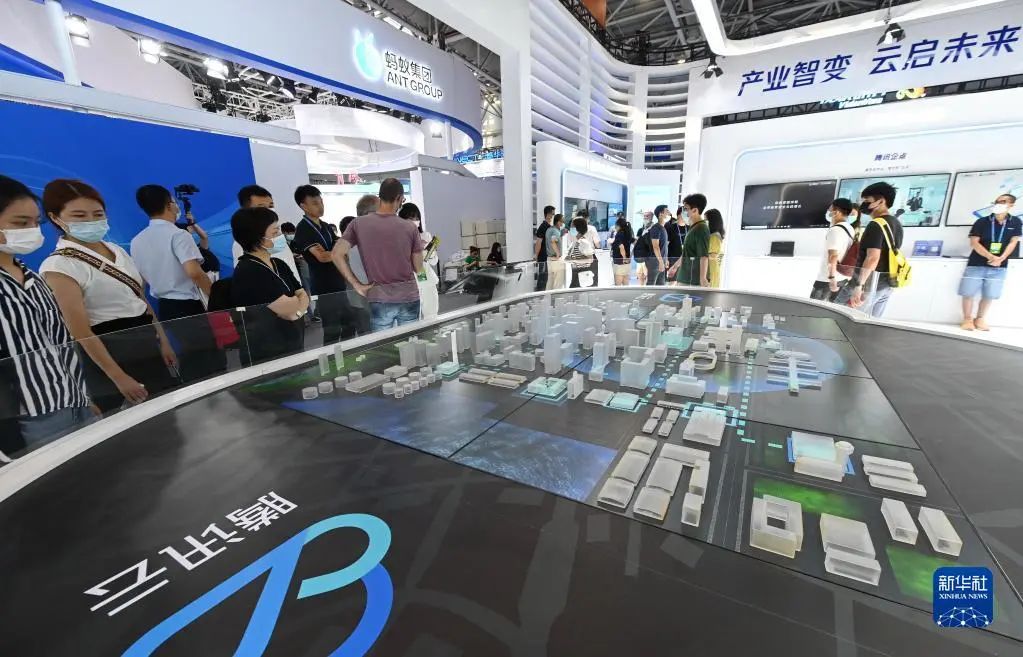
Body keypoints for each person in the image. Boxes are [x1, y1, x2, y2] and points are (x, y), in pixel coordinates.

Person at [40, 179, 177, 414]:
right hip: (109, 351)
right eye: (79, 216)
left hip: (145, 341)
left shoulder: (117, 250)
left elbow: (139, 299)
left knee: (166, 412)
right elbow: (80, 331)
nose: (91, 221)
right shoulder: (59, 265)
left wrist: (163, 340)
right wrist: (118, 377)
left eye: (98, 214)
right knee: (127, 422)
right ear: (56, 218)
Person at [0, 175, 91, 453]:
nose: (31, 230)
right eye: (20, 223)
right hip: (25, 418)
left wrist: (84, 397)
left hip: (72, 402)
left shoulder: (35, 279)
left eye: (35, 223)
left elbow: (62, 342)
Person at [130, 185, 225, 384]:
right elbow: (194, 272)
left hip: (165, 306)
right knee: (208, 358)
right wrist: (216, 299)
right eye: (174, 202)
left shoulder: (137, 240)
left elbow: (141, 282)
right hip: (189, 305)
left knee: (192, 353)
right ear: (169, 205)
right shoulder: (178, 235)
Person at [333, 178, 423, 332]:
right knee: (410, 341)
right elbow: (418, 268)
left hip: (379, 297)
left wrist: (356, 284)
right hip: (408, 295)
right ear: (399, 198)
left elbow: (336, 254)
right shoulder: (410, 227)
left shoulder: (358, 224)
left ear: (380, 197)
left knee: (383, 344)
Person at [230, 207, 308, 364]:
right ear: (258, 237)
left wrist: (297, 309)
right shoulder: (250, 270)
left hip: (292, 342)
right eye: (275, 232)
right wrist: (298, 307)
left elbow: (303, 295)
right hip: (267, 351)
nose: (280, 236)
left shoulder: (279, 263)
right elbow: (290, 310)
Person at [290, 184, 353, 343]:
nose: (320, 206)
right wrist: (337, 252)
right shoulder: (303, 229)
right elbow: (323, 257)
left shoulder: (325, 226)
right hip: (324, 286)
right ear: (303, 206)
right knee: (332, 329)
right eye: (314, 203)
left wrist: (336, 251)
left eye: (321, 202)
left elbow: (338, 248)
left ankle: (347, 354)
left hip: (338, 282)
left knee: (349, 324)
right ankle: (332, 357)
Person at [836, 182, 904, 317]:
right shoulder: (896, 223)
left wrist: (859, 286)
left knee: (843, 317)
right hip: (886, 285)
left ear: (881, 201)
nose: (864, 204)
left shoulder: (876, 225)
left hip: (868, 286)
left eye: (867, 200)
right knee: (870, 322)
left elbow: (872, 257)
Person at [958, 193, 1021, 331]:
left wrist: (1001, 258)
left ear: (1011, 205)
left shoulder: (1016, 222)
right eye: (996, 201)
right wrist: (990, 256)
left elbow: (1013, 242)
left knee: (989, 294)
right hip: (977, 263)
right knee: (968, 292)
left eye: (1003, 201)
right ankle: (967, 319)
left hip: (999, 266)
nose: (998, 203)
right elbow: (974, 243)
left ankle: (980, 319)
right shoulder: (982, 221)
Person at [232, 185, 301, 281]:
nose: (269, 211)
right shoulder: (244, 243)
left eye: (271, 206)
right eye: (261, 207)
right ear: (247, 212)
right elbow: (249, 278)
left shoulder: (277, 237)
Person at [399, 202, 440, 320]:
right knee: (412, 319)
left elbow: (434, 261)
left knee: (431, 315)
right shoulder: (398, 239)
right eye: (411, 218)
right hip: (409, 284)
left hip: (427, 280)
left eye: (417, 218)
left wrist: (429, 249)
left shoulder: (425, 236)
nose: (415, 221)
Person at [810, 199, 856, 302]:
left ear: (837, 212)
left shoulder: (835, 230)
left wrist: (832, 278)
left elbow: (833, 256)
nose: (828, 212)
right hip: (842, 276)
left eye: (830, 209)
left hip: (827, 280)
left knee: (813, 308)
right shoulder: (849, 228)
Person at [670, 194, 710, 287]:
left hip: (691, 281)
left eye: (686, 209)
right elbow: (687, 253)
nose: (683, 212)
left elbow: (703, 256)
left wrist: (703, 279)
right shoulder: (693, 227)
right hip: (684, 278)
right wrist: (675, 266)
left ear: (695, 210)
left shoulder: (701, 228)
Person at [566, 217, 595, 288]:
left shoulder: (583, 242)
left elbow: (590, 259)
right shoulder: (575, 242)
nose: (570, 228)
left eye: (572, 226)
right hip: (576, 275)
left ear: (578, 228)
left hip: (582, 277)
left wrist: (573, 260)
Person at [646, 204, 670, 286]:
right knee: (651, 285)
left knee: (660, 286)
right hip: (655, 262)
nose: (669, 213)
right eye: (667, 211)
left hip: (661, 262)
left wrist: (665, 259)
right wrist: (661, 262)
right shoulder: (656, 228)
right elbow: (655, 247)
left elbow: (663, 246)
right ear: (660, 214)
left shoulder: (663, 228)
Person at [534, 205, 555, 291]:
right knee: (543, 277)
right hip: (543, 256)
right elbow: (538, 242)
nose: (553, 215)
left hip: (548, 256)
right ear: (548, 214)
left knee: (546, 277)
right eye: (552, 213)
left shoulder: (549, 227)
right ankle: (539, 294)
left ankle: (542, 294)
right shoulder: (543, 227)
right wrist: (536, 255)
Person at [705, 208, 726, 289]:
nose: (704, 223)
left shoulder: (714, 236)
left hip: (710, 271)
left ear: (712, 221)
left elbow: (712, 256)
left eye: (706, 220)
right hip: (711, 270)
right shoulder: (713, 235)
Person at [545, 214, 566, 290]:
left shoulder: (549, 229)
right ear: (558, 222)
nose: (563, 223)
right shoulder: (555, 231)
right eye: (562, 221)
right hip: (556, 259)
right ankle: (557, 297)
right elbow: (553, 241)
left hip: (549, 259)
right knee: (558, 283)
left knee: (550, 281)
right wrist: (558, 254)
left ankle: (548, 297)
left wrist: (560, 235)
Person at [610, 215, 634, 286]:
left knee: (618, 286)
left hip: (619, 262)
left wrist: (624, 258)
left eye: (616, 225)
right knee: (626, 284)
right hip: (627, 263)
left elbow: (621, 247)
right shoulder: (628, 233)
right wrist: (629, 256)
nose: (615, 227)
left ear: (618, 226)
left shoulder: (619, 234)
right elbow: (635, 242)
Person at [634, 212, 653, 285]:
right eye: (644, 216)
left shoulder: (654, 229)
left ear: (651, 217)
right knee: (640, 274)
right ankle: (641, 288)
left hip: (648, 257)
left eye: (647, 216)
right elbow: (636, 242)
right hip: (640, 256)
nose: (645, 217)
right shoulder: (640, 230)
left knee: (647, 274)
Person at [666, 207, 686, 274]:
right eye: (685, 214)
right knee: (672, 279)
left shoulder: (689, 227)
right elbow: (666, 245)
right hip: (672, 260)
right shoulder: (670, 227)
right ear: (679, 215)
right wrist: (665, 258)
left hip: (684, 260)